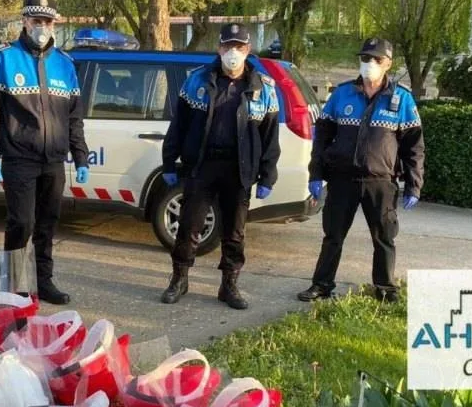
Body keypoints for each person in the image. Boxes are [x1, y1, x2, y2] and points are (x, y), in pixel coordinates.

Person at [0, 0, 89, 306]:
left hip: (53, 159)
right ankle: (11, 285)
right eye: (36, 21)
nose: (42, 27)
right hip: (19, 157)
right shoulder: (2, 58)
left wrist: (80, 154)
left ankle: (44, 281)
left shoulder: (65, 65)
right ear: (25, 21)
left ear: (54, 24)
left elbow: (74, 116)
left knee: (47, 223)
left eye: (47, 22)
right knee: (21, 222)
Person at [160, 23, 281, 310]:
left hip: (239, 168)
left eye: (239, 47)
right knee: (189, 226)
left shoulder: (263, 88)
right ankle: (179, 279)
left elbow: (270, 136)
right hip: (202, 165)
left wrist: (268, 174)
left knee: (234, 232)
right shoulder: (197, 80)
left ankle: (229, 285)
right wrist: (169, 160)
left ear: (248, 51)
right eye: (228, 46)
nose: (233, 53)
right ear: (219, 48)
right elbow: (179, 125)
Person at [298, 38, 425, 304]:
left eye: (376, 60)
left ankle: (385, 288)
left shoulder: (401, 98)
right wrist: (316, 174)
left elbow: (414, 147)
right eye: (365, 58)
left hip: (380, 180)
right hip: (342, 178)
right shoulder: (342, 93)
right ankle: (321, 285)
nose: (370, 64)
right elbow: (322, 137)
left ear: (388, 64)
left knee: (384, 238)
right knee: (333, 235)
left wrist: (414, 185)